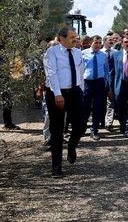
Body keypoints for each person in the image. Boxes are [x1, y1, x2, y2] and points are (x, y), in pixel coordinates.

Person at [42, 26, 85, 178]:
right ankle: (56, 166)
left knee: (81, 126)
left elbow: (80, 72)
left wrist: (81, 90)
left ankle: (72, 145)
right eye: (72, 37)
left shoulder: (78, 52)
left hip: (75, 91)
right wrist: (58, 94)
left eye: (76, 36)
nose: (75, 39)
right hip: (57, 94)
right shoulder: (51, 53)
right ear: (62, 38)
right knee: (57, 130)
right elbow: (52, 74)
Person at [81, 35, 110, 141]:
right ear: (91, 43)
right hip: (87, 83)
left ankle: (94, 130)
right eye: (96, 42)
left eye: (99, 43)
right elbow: (80, 70)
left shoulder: (103, 55)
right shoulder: (83, 54)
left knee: (97, 108)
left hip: (99, 83)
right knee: (85, 108)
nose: (98, 45)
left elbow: (106, 70)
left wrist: (107, 83)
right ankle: (82, 128)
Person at [101, 35, 116, 130]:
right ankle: (101, 121)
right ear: (104, 41)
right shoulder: (100, 53)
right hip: (100, 80)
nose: (112, 41)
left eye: (112, 40)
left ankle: (108, 123)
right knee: (101, 102)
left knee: (110, 102)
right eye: (109, 40)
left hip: (112, 80)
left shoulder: (116, 53)